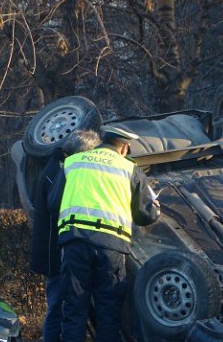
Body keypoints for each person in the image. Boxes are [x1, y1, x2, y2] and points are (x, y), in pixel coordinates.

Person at [48, 126, 161, 342]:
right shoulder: (129, 168)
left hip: (75, 242)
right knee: (108, 314)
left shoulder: (73, 162)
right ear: (124, 148)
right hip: (111, 247)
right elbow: (145, 215)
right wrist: (155, 207)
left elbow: (54, 204)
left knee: (74, 312)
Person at [30, 130, 101, 342]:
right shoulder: (59, 172)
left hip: (55, 252)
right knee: (58, 309)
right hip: (55, 255)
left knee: (59, 307)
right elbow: (59, 208)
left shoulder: (55, 168)